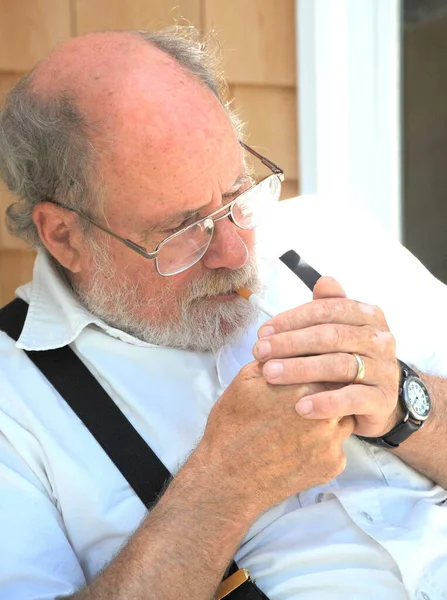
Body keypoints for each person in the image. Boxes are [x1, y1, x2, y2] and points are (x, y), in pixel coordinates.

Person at [0, 25, 446, 600]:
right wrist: (224, 485)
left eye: (236, 194)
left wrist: (404, 403)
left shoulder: (331, 233)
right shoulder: (14, 401)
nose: (236, 252)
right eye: (183, 230)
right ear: (64, 235)